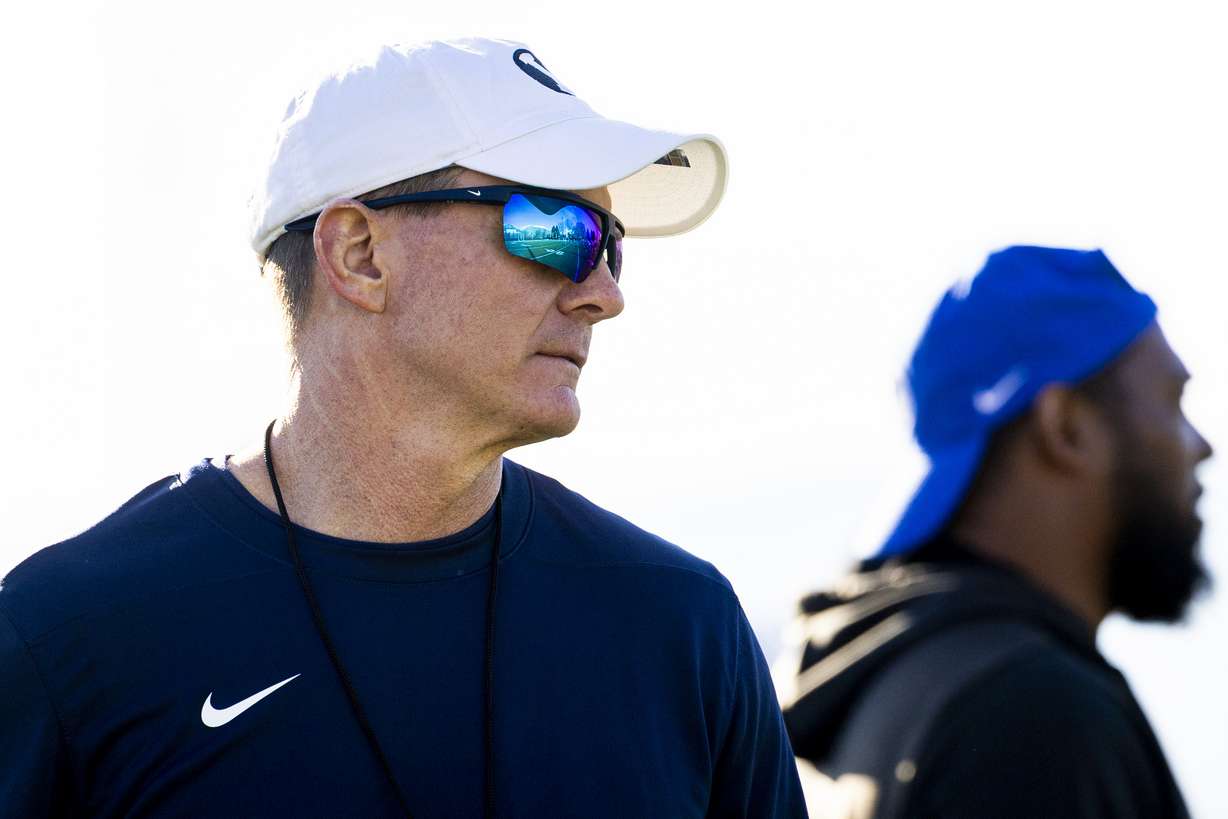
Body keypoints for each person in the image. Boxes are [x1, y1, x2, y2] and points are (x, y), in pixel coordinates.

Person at [0, 38, 805, 817]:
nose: (603, 292)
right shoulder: (68, 638)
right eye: (558, 231)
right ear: (358, 253)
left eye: (611, 246)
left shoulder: (681, 625)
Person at [778, 246, 1210, 818]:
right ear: (1066, 428)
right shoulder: (1036, 716)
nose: (1202, 446)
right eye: (1174, 402)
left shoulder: (897, 675)